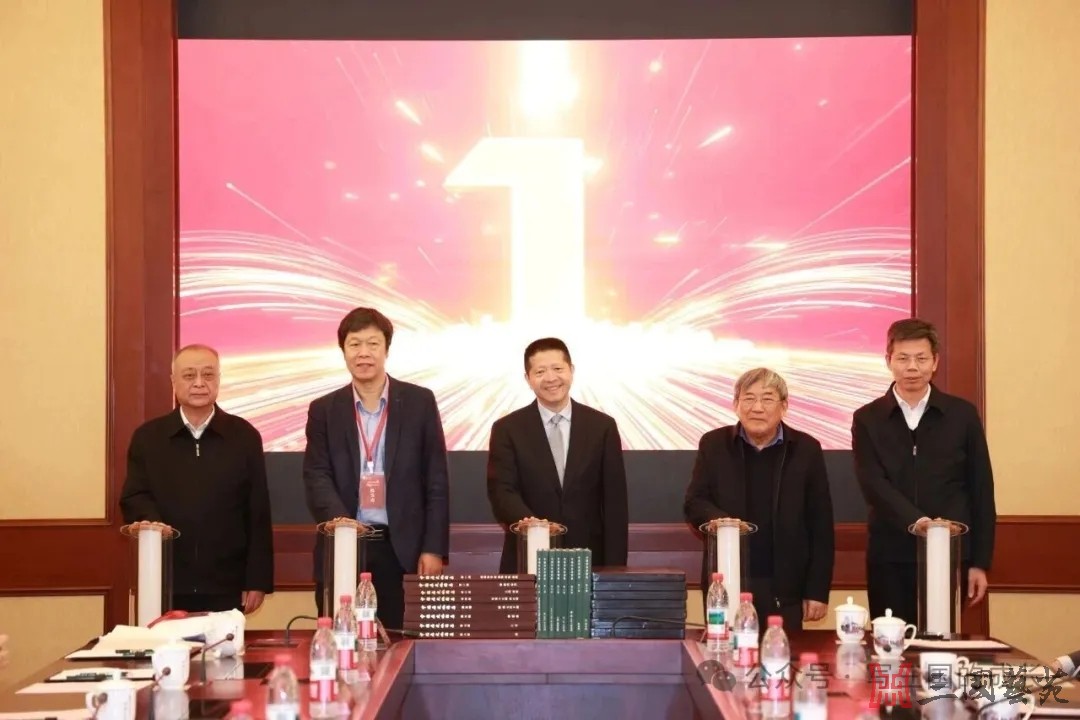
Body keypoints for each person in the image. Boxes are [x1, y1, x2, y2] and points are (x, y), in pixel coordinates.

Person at [303, 307, 450, 632]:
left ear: (386, 349)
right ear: (343, 350)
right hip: (342, 545)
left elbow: (436, 478)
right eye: (355, 344)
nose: (364, 353)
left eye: (373, 343)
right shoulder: (324, 410)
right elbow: (316, 473)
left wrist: (433, 548)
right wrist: (342, 523)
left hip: (402, 549)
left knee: (399, 645)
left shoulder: (419, 402)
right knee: (342, 640)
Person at [852, 318, 996, 625]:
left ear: (935, 362)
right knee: (891, 643)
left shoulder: (962, 415)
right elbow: (872, 483)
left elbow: (981, 489)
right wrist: (919, 522)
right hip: (889, 555)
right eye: (903, 358)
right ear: (888, 361)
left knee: (941, 645)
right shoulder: (867, 418)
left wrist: (980, 562)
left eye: (921, 358)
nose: (912, 367)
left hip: (950, 553)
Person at [120, 344, 274, 614]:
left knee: (223, 643)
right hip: (165, 578)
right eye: (189, 375)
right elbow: (134, 496)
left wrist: (257, 580)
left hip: (227, 582)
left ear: (219, 379)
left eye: (208, 374)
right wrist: (154, 523)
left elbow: (258, 511)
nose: (200, 383)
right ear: (173, 381)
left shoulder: (244, 435)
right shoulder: (148, 437)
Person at [684, 368, 835, 629]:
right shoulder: (714, 444)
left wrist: (817, 591)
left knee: (781, 653)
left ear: (784, 406)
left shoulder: (806, 449)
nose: (757, 408)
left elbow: (820, 524)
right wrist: (720, 521)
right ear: (735, 404)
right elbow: (694, 502)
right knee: (726, 653)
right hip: (727, 582)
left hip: (786, 587)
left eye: (767, 399)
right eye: (749, 398)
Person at [487, 337, 629, 573]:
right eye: (540, 371)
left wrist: (615, 570)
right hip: (528, 557)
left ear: (571, 371)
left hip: (589, 560)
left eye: (558, 369)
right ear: (528, 378)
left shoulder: (602, 427)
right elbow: (502, 490)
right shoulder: (507, 429)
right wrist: (533, 526)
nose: (551, 378)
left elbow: (615, 503)